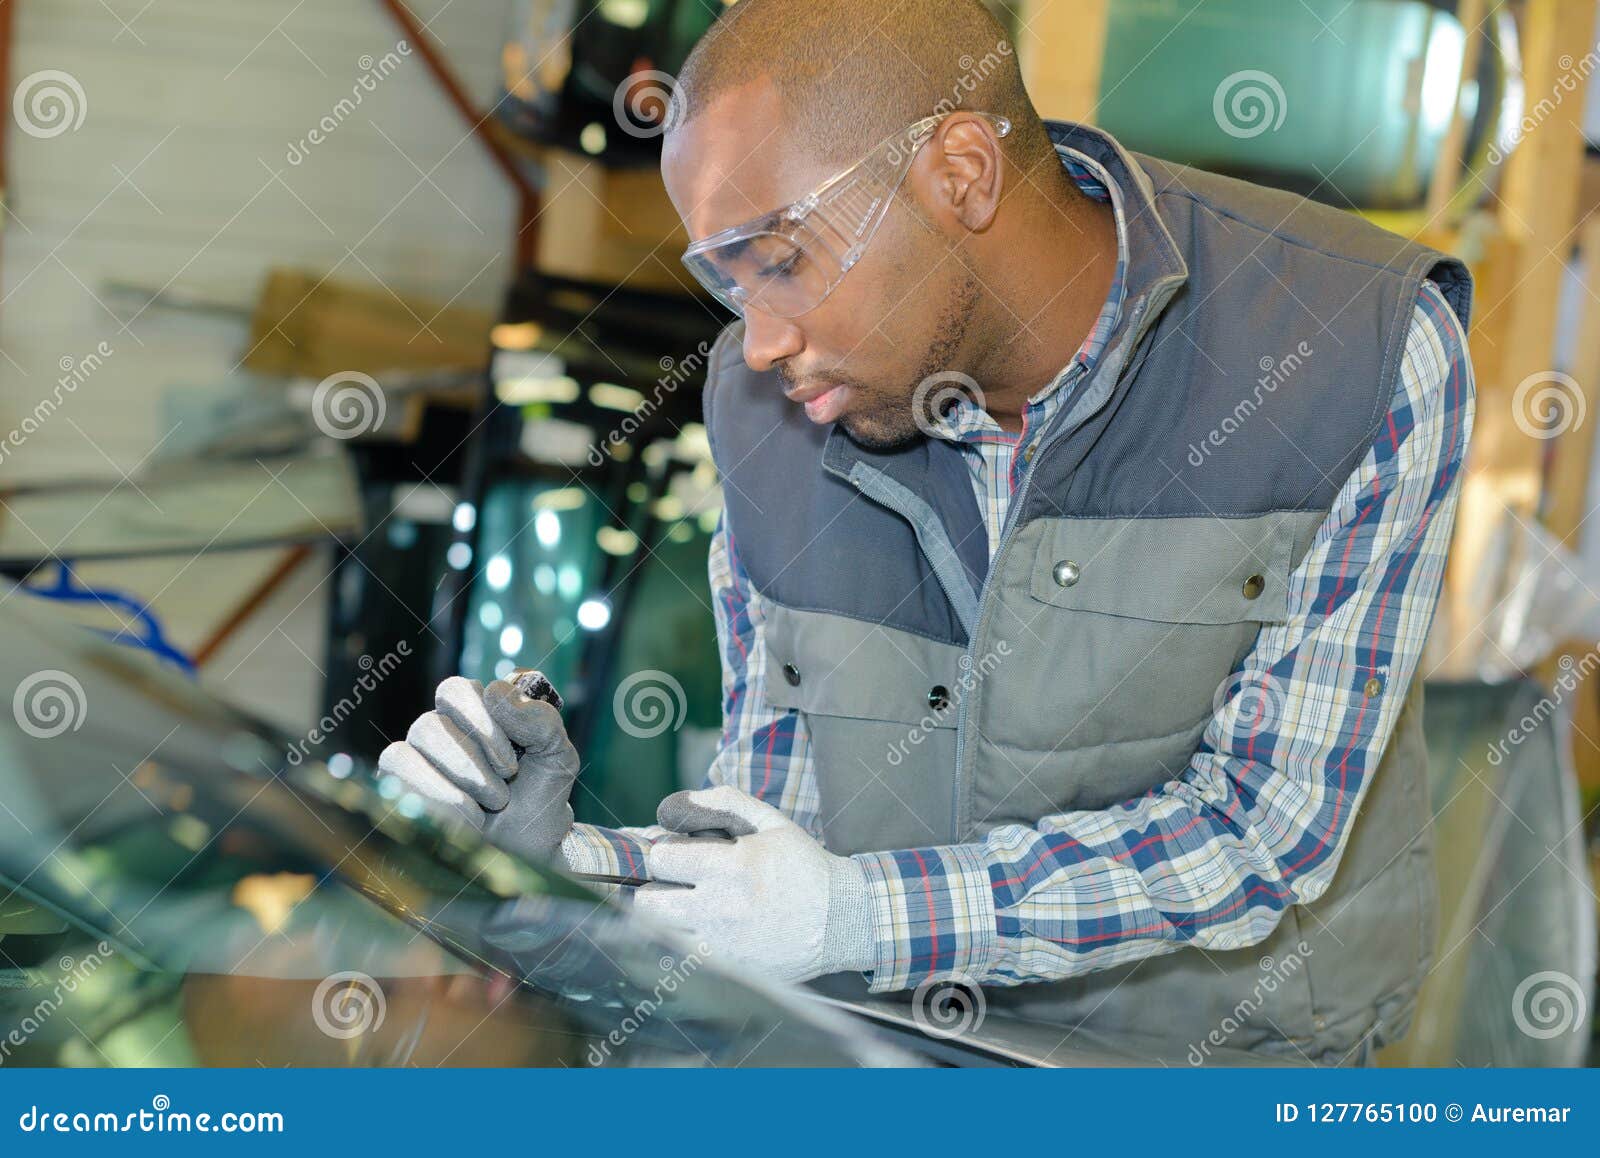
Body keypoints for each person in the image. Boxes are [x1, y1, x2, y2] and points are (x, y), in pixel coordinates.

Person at [381, 0, 1476, 1065]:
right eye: (727, 285)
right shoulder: (764, 411)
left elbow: (1260, 829)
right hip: (880, 1042)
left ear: (960, 175)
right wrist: (551, 866)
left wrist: (857, 916)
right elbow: (775, 840)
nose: (758, 343)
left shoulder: (1355, 350)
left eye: (781, 260)